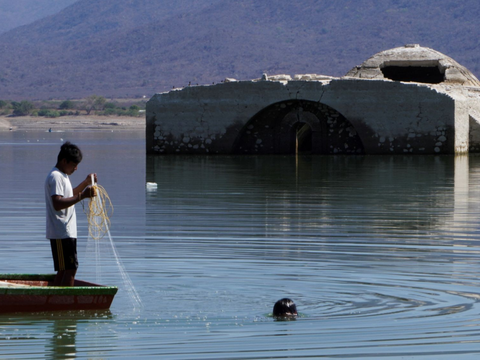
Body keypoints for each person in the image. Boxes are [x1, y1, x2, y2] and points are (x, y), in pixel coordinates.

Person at [45, 141, 97, 286]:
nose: (76, 168)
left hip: (66, 231)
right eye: (74, 164)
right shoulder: (56, 176)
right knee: (70, 268)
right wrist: (83, 196)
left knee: (65, 269)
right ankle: (63, 301)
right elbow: (57, 203)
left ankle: (58, 300)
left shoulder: (63, 176)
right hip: (61, 231)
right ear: (64, 160)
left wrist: (86, 183)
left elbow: (69, 194)